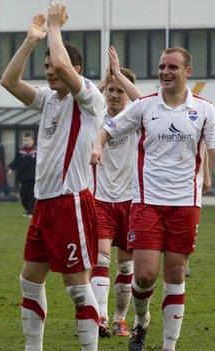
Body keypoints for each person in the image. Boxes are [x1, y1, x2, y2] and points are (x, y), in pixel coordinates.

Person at [91, 46, 215, 351]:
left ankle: (168, 345)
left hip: (186, 204)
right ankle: (141, 321)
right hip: (147, 202)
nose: (165, 72)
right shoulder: (146, 106)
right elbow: (108, 128)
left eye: (172, 67)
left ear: (188, 71)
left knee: (174, 272)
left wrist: (209, 174)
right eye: (162, 67)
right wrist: (97, 146)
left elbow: (211, 151)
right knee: (145, 275)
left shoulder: (205, 110)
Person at [0, 3, 105, 350]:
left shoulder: (89, 97)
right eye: (44, 67)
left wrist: (56, 28)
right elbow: (9, 81)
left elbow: (62, 62)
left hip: (71, 201)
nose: (48, 72)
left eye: (54, 68)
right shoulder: (48, 100)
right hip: (44, 205)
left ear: (76, 71)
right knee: (30, 282)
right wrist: (31, 40)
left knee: (76, 286)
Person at [90, 47, 142, 338]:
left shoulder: (136, 118)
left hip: (131, 202)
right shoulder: (96, 116)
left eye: (118, 91)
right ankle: (101, 317)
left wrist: (119, 74)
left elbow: (142, 100)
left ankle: (121, 318)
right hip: (101, 200)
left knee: (126, 265)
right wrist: (105, 80)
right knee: (101, 260)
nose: (113, 95)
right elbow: (84, 99)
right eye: (110, 90)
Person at [7, 133, 37, 217]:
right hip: (23, 178)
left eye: (29, 140)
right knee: (23, 195)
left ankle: (30, 212)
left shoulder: (37, 151)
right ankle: (27, 209)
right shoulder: (20, 152)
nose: (27, 142)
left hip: (34, 178)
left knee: (32, 195)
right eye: (25, 140)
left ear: (32, 141)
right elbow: (15, 162)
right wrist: (11, 169)